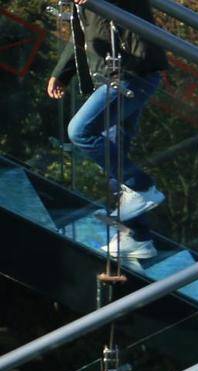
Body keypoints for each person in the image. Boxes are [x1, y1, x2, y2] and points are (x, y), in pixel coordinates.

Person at [47, 0, 169, 263]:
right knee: (115, 155)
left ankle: (143, 187)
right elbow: (82, 35)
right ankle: (138, 238)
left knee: (80, 131)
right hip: (122, 74)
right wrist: (62, 73)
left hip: (132, 75)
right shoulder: (85, 4)